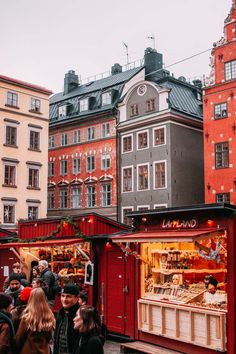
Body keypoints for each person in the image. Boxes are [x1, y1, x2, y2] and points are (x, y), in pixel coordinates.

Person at [15, 288, 55, 354]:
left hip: (28, 350)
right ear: (44, 298)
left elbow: (19, 338)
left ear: (31, 299)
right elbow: (49, 337)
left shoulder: (27, 317)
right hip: (44, 350)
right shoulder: (50, 316)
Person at [53, 283, 80, 354]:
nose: (64, 299)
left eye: (69, 296)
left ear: (77, 298)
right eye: (63, 296)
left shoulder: (81, 316)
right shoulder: (60, 314)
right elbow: (56, 339)